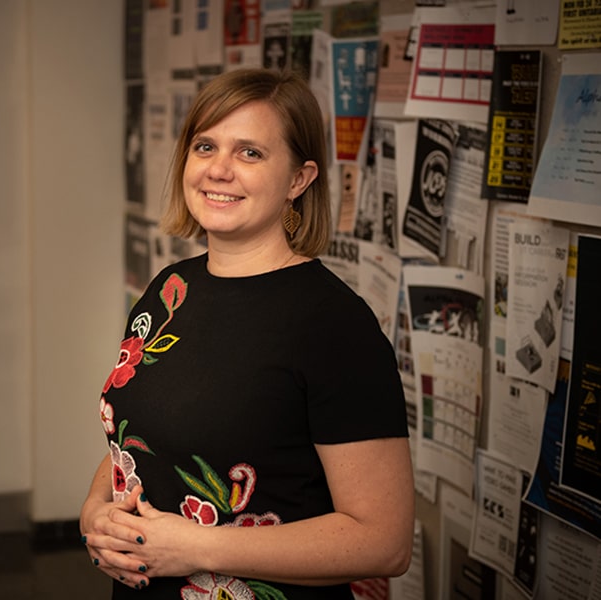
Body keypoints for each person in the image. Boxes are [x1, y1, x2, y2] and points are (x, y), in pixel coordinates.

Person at [80, 67, 414, 599]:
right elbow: (144, 432)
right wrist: (96, 511)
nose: (219, 170)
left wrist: (196, 548)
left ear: (299, 180)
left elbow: (384, 542)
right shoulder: (170, 291)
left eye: (250, 153)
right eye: (205, 146)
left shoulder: (333, 324)